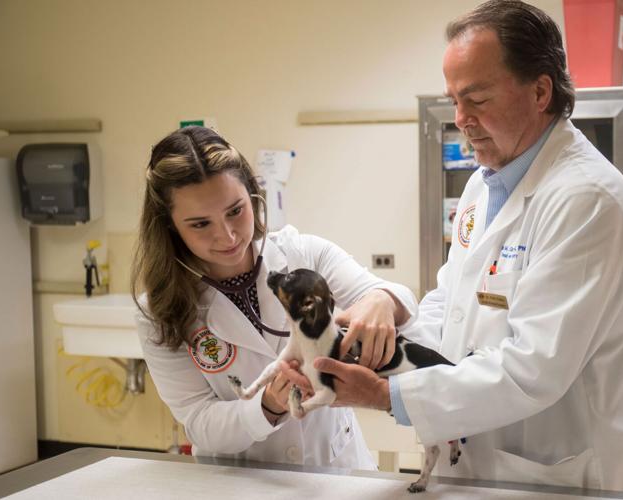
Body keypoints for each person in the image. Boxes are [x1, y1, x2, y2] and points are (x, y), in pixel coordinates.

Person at [296, 0, 623, 493]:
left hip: (568, 474)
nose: (461, 118)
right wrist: (381, 345)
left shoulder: (588, 199)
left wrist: (388, 394)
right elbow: (452, 306)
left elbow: (533, 367)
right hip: (481, 467)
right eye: (453, 100)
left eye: (478, 98)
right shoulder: (483, 185)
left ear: (539, 91)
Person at [132, 125, 416, 467]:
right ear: (170, 228)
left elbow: (398, 297)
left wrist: (382, 300)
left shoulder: (303, 254)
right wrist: (267, 404)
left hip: (337, 471)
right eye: (200, 224)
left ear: (253, 195)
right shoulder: (160, 311)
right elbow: (199, 422)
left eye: (236, 211)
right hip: (245, 482)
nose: (228, 235)